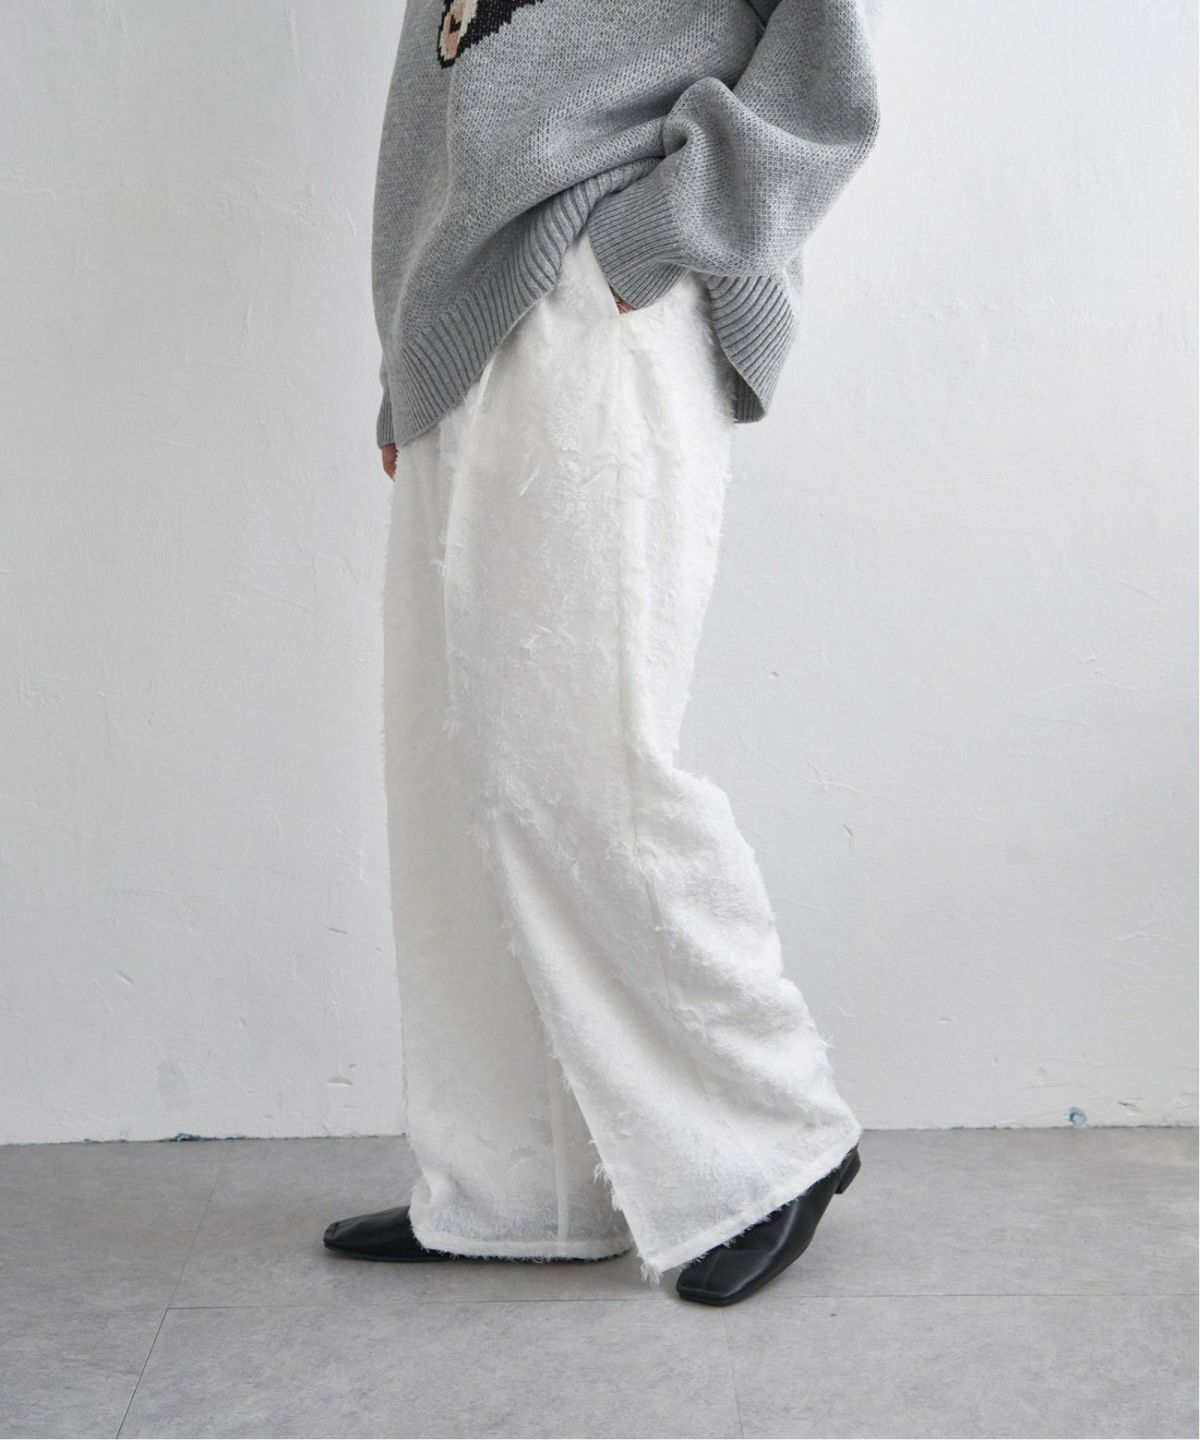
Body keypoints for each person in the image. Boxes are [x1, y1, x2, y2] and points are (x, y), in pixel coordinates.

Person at [324, 0, 881, 1307]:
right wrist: (409, 350)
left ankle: (772, 1139)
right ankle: (522, 1187)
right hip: (465, 316)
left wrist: (655, 233)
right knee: (455, 769)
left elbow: (827, 79)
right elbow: (441, 93)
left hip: (601, 281)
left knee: (577, 756)